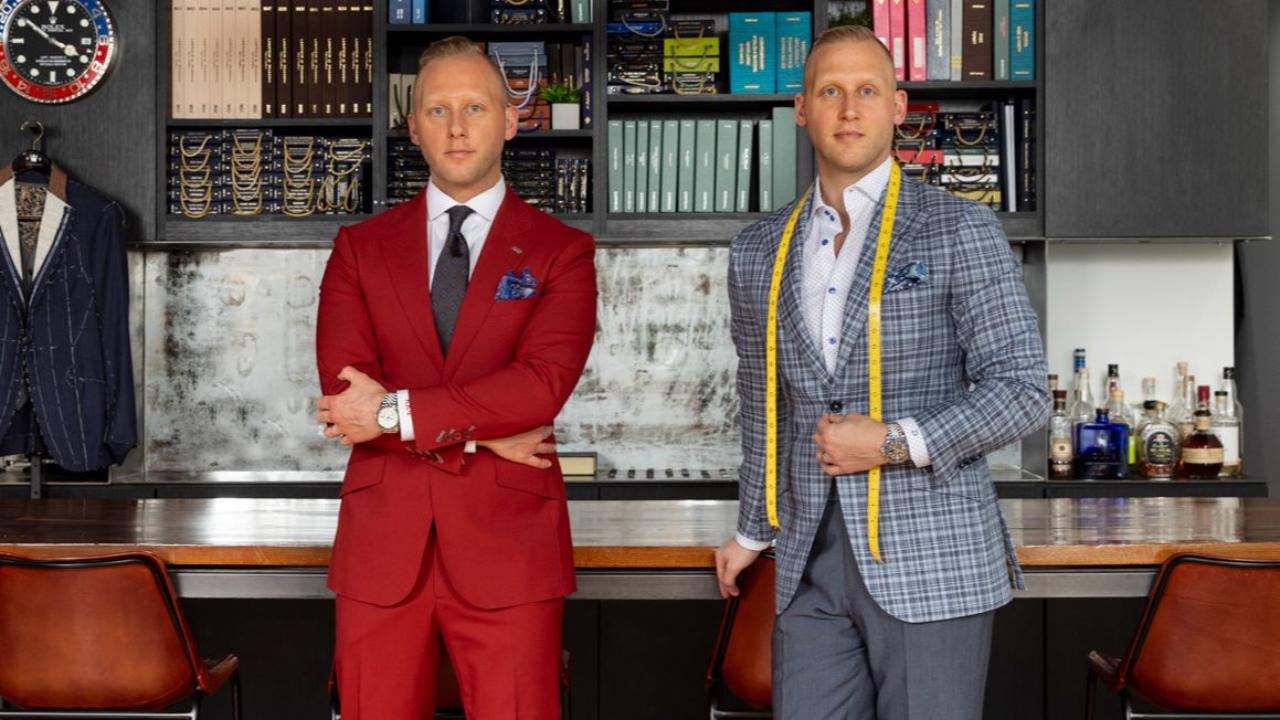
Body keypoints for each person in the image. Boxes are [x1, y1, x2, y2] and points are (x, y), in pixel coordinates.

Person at [714, 25, 1050, 719]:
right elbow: (763, 404)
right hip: (807, 562)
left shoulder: (958, 228)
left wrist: (893, 441)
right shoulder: (757, 250)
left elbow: (1021, 391)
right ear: (801, 109)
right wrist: (751, 531)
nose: (848, 109)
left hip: (931, 561)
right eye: (829, 92)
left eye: (867, 91)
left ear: (898, 107)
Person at [313, 36, 597, 719]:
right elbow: (349, 399)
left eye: (476, 107)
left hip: (511, 549)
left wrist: (396, 415)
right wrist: (483, 436)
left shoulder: (563, 252)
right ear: (413, 127)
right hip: (384, 548)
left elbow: (540, 387)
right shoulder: (359, 249)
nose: (457, 126)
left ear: (510, 120)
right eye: (438, 109)